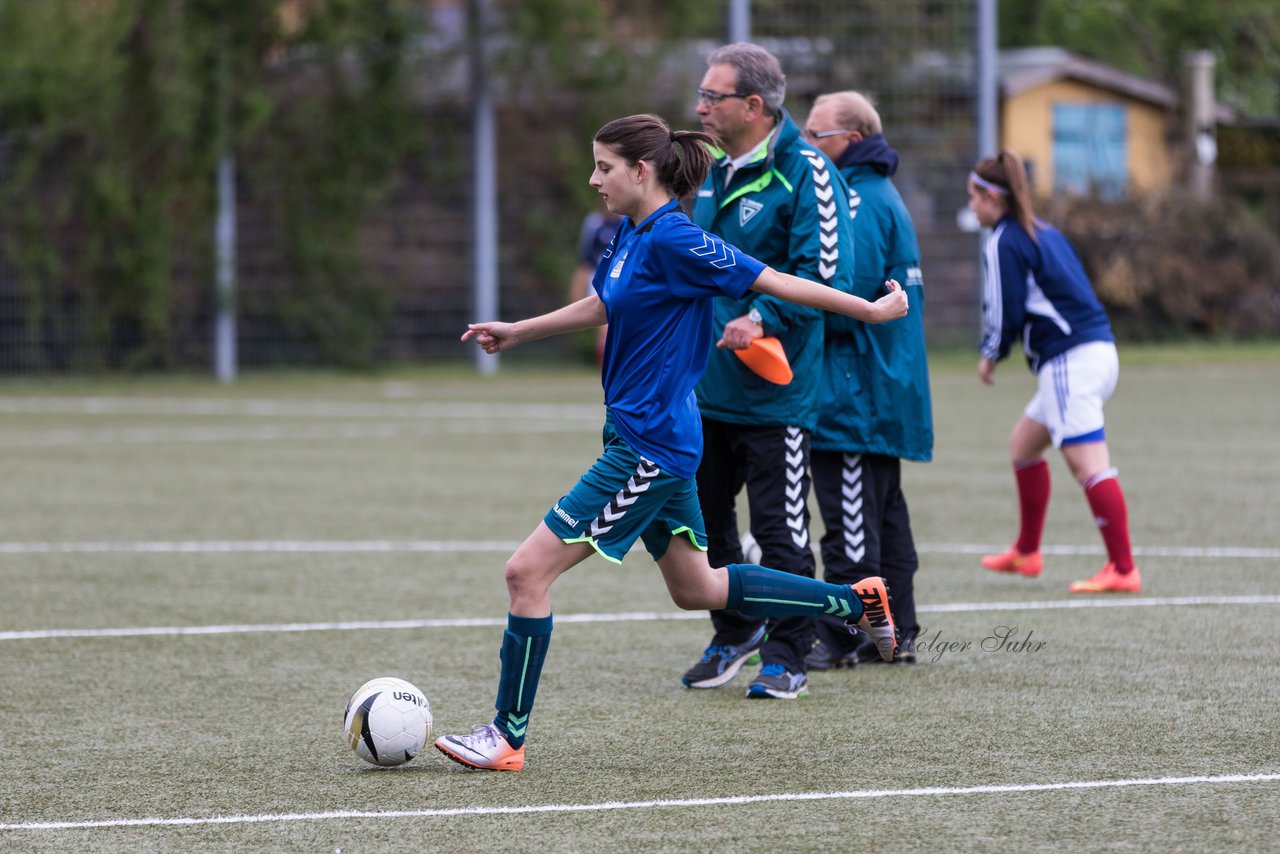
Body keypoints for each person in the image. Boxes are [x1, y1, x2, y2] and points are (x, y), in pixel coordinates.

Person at [434, 113, 907, 772]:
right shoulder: (631, 233)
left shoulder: (681, 239)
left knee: (525, 573)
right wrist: (519, 330)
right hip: (647, 435)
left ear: (641, 171)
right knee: (698, 588)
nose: (593, 178)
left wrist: (872, 310)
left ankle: (506, 737)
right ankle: (854, 602)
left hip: (648, 448)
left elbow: (774, 280)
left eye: (603, 166)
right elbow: (603, 304)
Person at [681, 42, 858, 700]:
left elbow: (822, 275)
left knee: (779, 530)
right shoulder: (703, 169)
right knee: (702, 521)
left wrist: (760, 318)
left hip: (774, 395)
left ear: (752, 106)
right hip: (702, 386)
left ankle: (789, 650)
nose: (699, 106)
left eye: (711, 97)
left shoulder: (807, 172)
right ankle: (735, 631)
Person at [967, 148, 1140, 594]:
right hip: (1097, 352)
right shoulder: (1045, 231)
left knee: (1089, 466)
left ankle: (1123, 569)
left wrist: (991, 353)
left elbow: (1004, 309)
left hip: (1070, 361)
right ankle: (1026, 551)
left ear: (991, 197)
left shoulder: (1005, 239)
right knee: (1024, 445)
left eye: (973, 197)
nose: (971, 206)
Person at [800, 91, 933, 668]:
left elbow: (840, 293)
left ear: (850, 142)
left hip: (855, 391)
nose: (806, 147)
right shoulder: (882, 194)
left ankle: (844, 636)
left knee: (851, 523)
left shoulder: (854, 200)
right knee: (883, 517)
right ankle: (896, 634)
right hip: (882, 387)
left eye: (816, 136)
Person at [567, 207, 622, 363]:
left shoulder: (629, 222)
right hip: (599, 278)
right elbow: (585, 259)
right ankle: (604, 365)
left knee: (614, 326)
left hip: (622, 277)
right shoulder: (595, 223)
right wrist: (577, 288)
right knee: (604, 326)